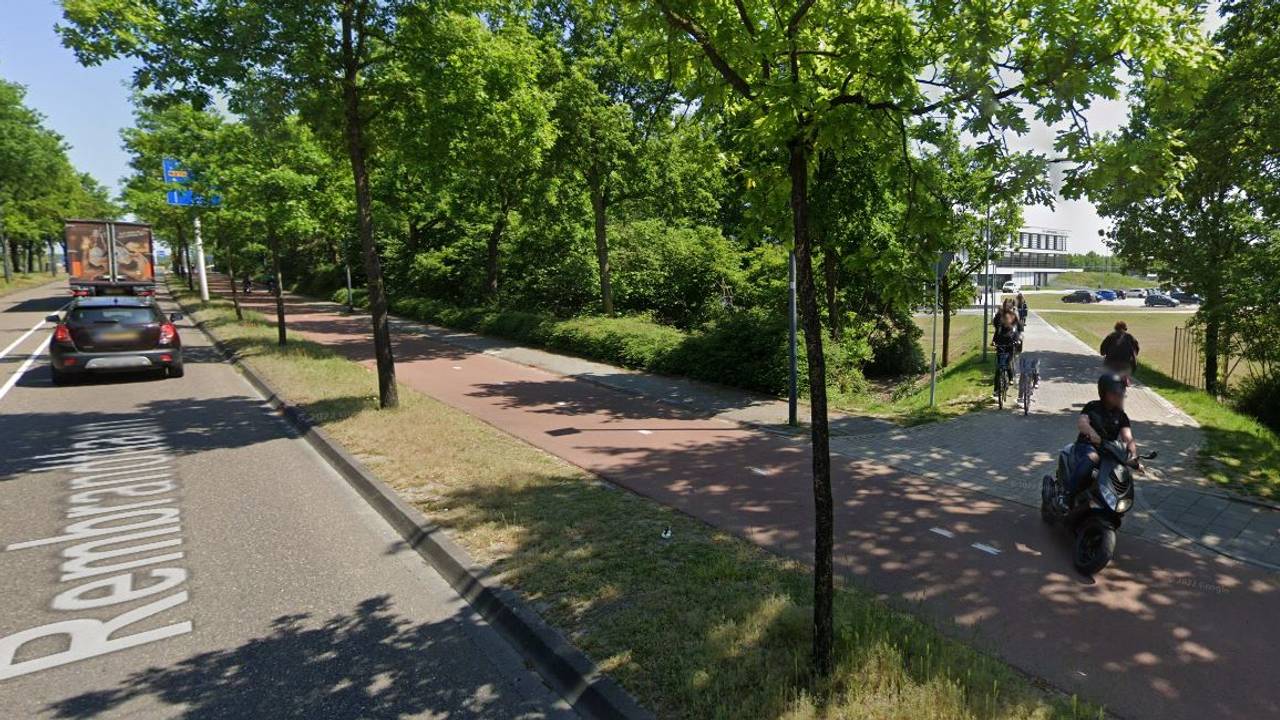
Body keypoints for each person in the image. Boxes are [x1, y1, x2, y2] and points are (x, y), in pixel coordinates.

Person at [1056, 373, 1140, 512]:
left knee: (1120, 471)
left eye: (1121, 393)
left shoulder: (1121, 416)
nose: (1119, 396)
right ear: (1104, 393)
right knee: (1093, 457)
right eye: (1115, 393)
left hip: (1108, 451)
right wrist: (1091, 432)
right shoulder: (1092, 407)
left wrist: (1133, 455)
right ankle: (1066, 496)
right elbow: (1083, 423)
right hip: (1086, 447)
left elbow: (1128, 437)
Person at [992, 308, 1021, 397]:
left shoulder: (1012, 329)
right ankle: (996, 390)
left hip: (1009, 349)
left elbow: (1016, 337)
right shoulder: (999, 329)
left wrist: (1016, 342)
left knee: (1008, 363)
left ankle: (1011, 378)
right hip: (1000, 348)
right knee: (998, 368)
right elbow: (995, 338)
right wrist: (993, 342)